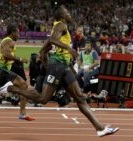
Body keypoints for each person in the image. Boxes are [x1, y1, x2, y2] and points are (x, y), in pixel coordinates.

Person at [6, 5, 119, 137]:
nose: (69, 14)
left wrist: (48, 64)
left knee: (80, 98)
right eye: (66, 12)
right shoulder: (61, 25)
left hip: (63, 67)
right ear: (61, 16)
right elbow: (52, 40)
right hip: (58, 65)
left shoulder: (58, 28)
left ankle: (100, 128)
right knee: (43, 99)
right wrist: (67, 50)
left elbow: (43, 50)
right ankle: (12, 89)